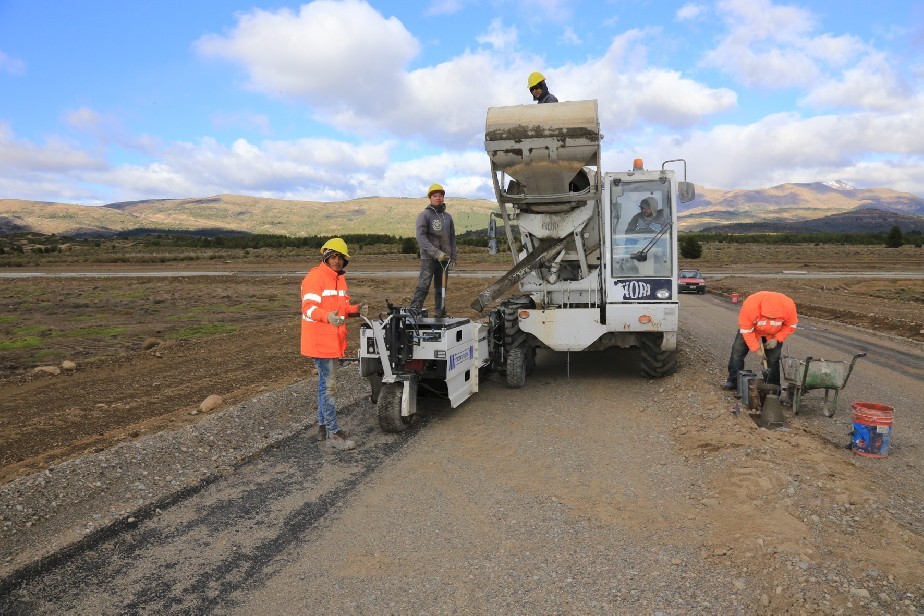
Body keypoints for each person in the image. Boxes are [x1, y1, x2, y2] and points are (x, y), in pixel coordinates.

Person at [300, 237, 368, 450]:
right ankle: (333, 434)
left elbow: (342, 308)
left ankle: (323, 427)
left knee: (324, 386)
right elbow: (308, 308)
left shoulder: (340, 280)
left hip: (333, 341)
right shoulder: (315, 277)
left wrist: (355, 310)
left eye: (341, 257)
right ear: (326, 257)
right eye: (334, 256)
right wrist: (326, 317)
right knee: (328, 387)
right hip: (320, 341)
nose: (337, 261)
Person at [722, 291, 798, 390]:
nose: (771, 320)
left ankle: (773, 386)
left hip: (774, 333)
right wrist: (756, 349)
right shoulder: (751, 306)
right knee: (737, 352)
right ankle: (733, 381)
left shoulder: (788, 307)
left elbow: (791, 325)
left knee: (773, 359)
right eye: (769, 318)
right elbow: (746, 330)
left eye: (774, 319)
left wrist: (777, 339)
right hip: (753, 330)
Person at [409, 183, 457, 317]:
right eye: (435, 196)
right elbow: (420, 237)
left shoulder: (448, 217)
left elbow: (452, 238)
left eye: (441, 195)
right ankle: (414, 312)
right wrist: (435, 252)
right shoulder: (424, 215)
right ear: (430, 198)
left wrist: (453, 257)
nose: (438, 198)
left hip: (445, 260)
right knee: (423, 286)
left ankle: (440, 312)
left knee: (441, 289)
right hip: (429, 259)